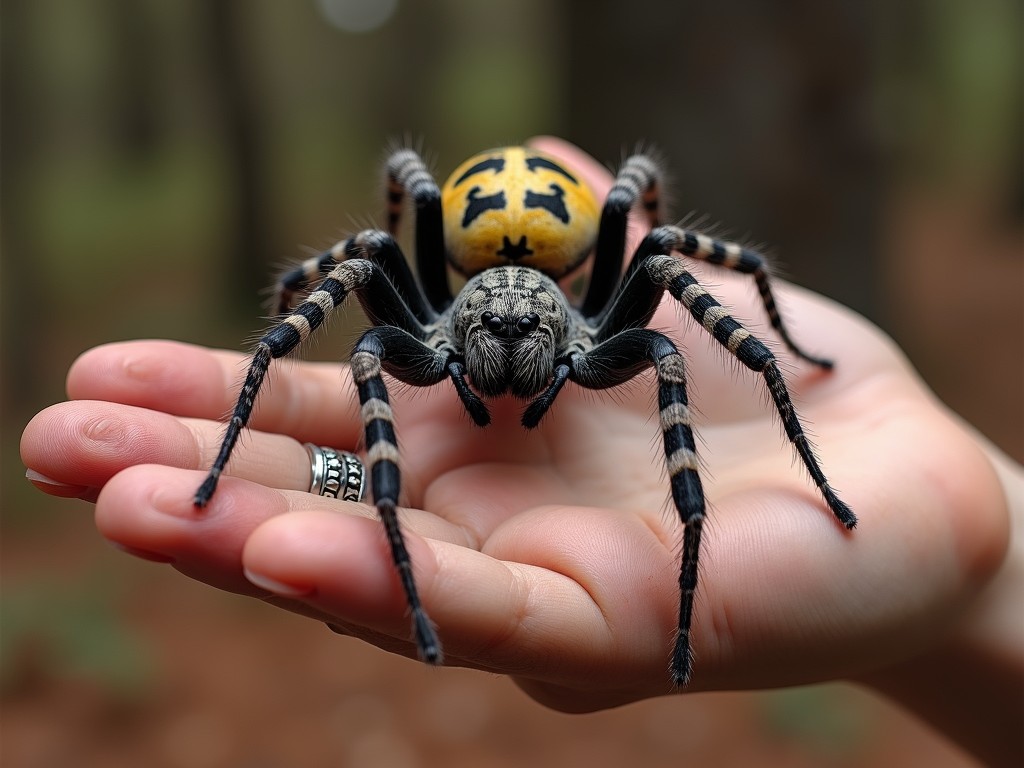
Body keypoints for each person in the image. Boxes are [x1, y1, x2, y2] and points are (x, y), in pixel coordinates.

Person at [20, 137, 1022, 765]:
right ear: (451, 316)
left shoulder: (612, 311)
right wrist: (241, 422)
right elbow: (331, 292)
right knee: (374, 280)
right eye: (481, 336)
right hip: (469, 248)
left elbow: (709, 270)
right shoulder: (409, 315)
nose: (503, 347)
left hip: (557, 254)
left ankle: (774, 466)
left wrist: (786, 366)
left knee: (679, 313)